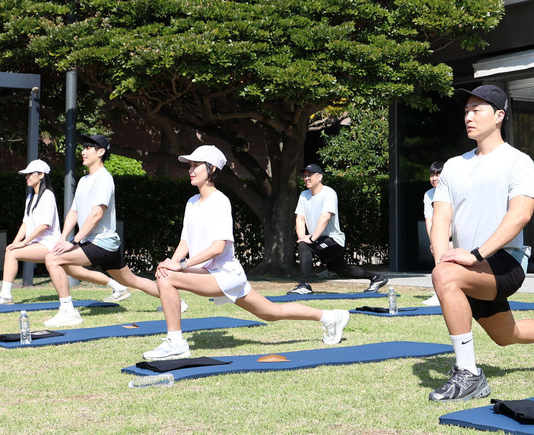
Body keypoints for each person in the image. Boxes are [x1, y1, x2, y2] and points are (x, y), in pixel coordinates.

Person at [426, 84, 534, 402]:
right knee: (505, 335)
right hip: (467, 264)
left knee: (446, 276)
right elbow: (440, 218)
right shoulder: (454, 166)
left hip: (503, 261)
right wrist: (443, 258)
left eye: (477, 110)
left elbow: (520, 215)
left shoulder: (518, 162)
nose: (469, 116)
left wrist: (475, 254)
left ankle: (468, 373)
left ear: (499, 116)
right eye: (466, 110)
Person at [142, 145, 350, 360]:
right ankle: (330, 317)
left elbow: (218, 247)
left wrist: (182, 265)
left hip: (225, 275)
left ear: (211, 169)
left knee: (166, 278)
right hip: (208, 274)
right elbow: (185, 240)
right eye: (190, 166)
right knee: (271, 312)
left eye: (196, 165)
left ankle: (176, 343)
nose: (191, 170)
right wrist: (172, 262)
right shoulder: (192, 202)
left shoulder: (220, 202)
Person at [42, 133, 166, 328]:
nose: (83, 151)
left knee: (53, 259)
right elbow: (73, 212)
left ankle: (68, 311)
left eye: (88, 148)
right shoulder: (84, 181)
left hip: (102, 242)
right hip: (98, 242)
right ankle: (173, 299)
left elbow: (96, 215)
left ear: (101, 152)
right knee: (132, 280)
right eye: (83, 148)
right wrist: (63, 238)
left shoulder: (104, 178)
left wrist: (73, 241)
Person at [289, 163, 388, 295]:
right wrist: (302, 237)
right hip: (319, 240)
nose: (306, 178)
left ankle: (304, 285)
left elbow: (325, 217)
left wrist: (311, 239)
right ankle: (376, 278)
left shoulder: (329, 193)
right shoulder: (304, 195)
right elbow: (300, 219)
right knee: (342, 270)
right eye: (305, 176)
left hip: (333, 241)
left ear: (320, 177)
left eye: (310, 175)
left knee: (305, 246)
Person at [0, 159, 62, 304]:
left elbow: (44, 225)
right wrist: (15, 243)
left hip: (50, 245)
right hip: (39, 244)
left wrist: (23, 242)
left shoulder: (48, 196)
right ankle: (115, 285)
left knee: (78, 271)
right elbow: (25, 223)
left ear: (41, 175)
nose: (27, 177)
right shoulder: (31, 197)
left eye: (31, 174)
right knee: (11, 251)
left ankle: (5, 296)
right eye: (26, 175)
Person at [421, 161, 445, 307]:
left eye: (438, 174)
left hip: (454, 234)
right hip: (439, 234)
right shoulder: (428, 195)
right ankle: (440, 292)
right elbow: (429, 219)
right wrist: (433, 241)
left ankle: (441, 293)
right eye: (432, 175)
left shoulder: (452, 191)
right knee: (439, 262)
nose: (434, 178)